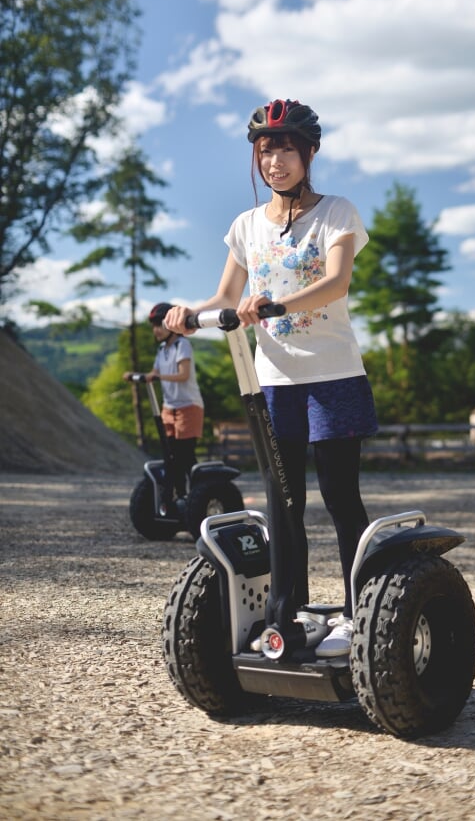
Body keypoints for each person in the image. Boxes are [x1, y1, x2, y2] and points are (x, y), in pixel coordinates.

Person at [165, 98, 378, 657]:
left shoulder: (337, 213)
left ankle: (360, 615)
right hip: (274, 382)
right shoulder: (246, 226)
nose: (274, 162)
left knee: (340, 496)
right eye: (265, 151)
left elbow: (337, 283)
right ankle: (290, 614)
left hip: (333, 376)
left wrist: (276, 304)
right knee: (283, 502)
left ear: (310, 154)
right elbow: (226, 297)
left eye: (285, 150)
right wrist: (187, 313)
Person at [123, 302, 205, 504]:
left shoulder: (182, 345)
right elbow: (154, 374)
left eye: (160, 325)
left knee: (185, 455)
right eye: (154, 326)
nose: (156, 330)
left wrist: (158, 378)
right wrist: (136, 376)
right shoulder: (162, 349)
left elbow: (183, 375)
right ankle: (178, 497)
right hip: (169, 408)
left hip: (188, 406)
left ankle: (199, 496)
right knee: (170, 456)